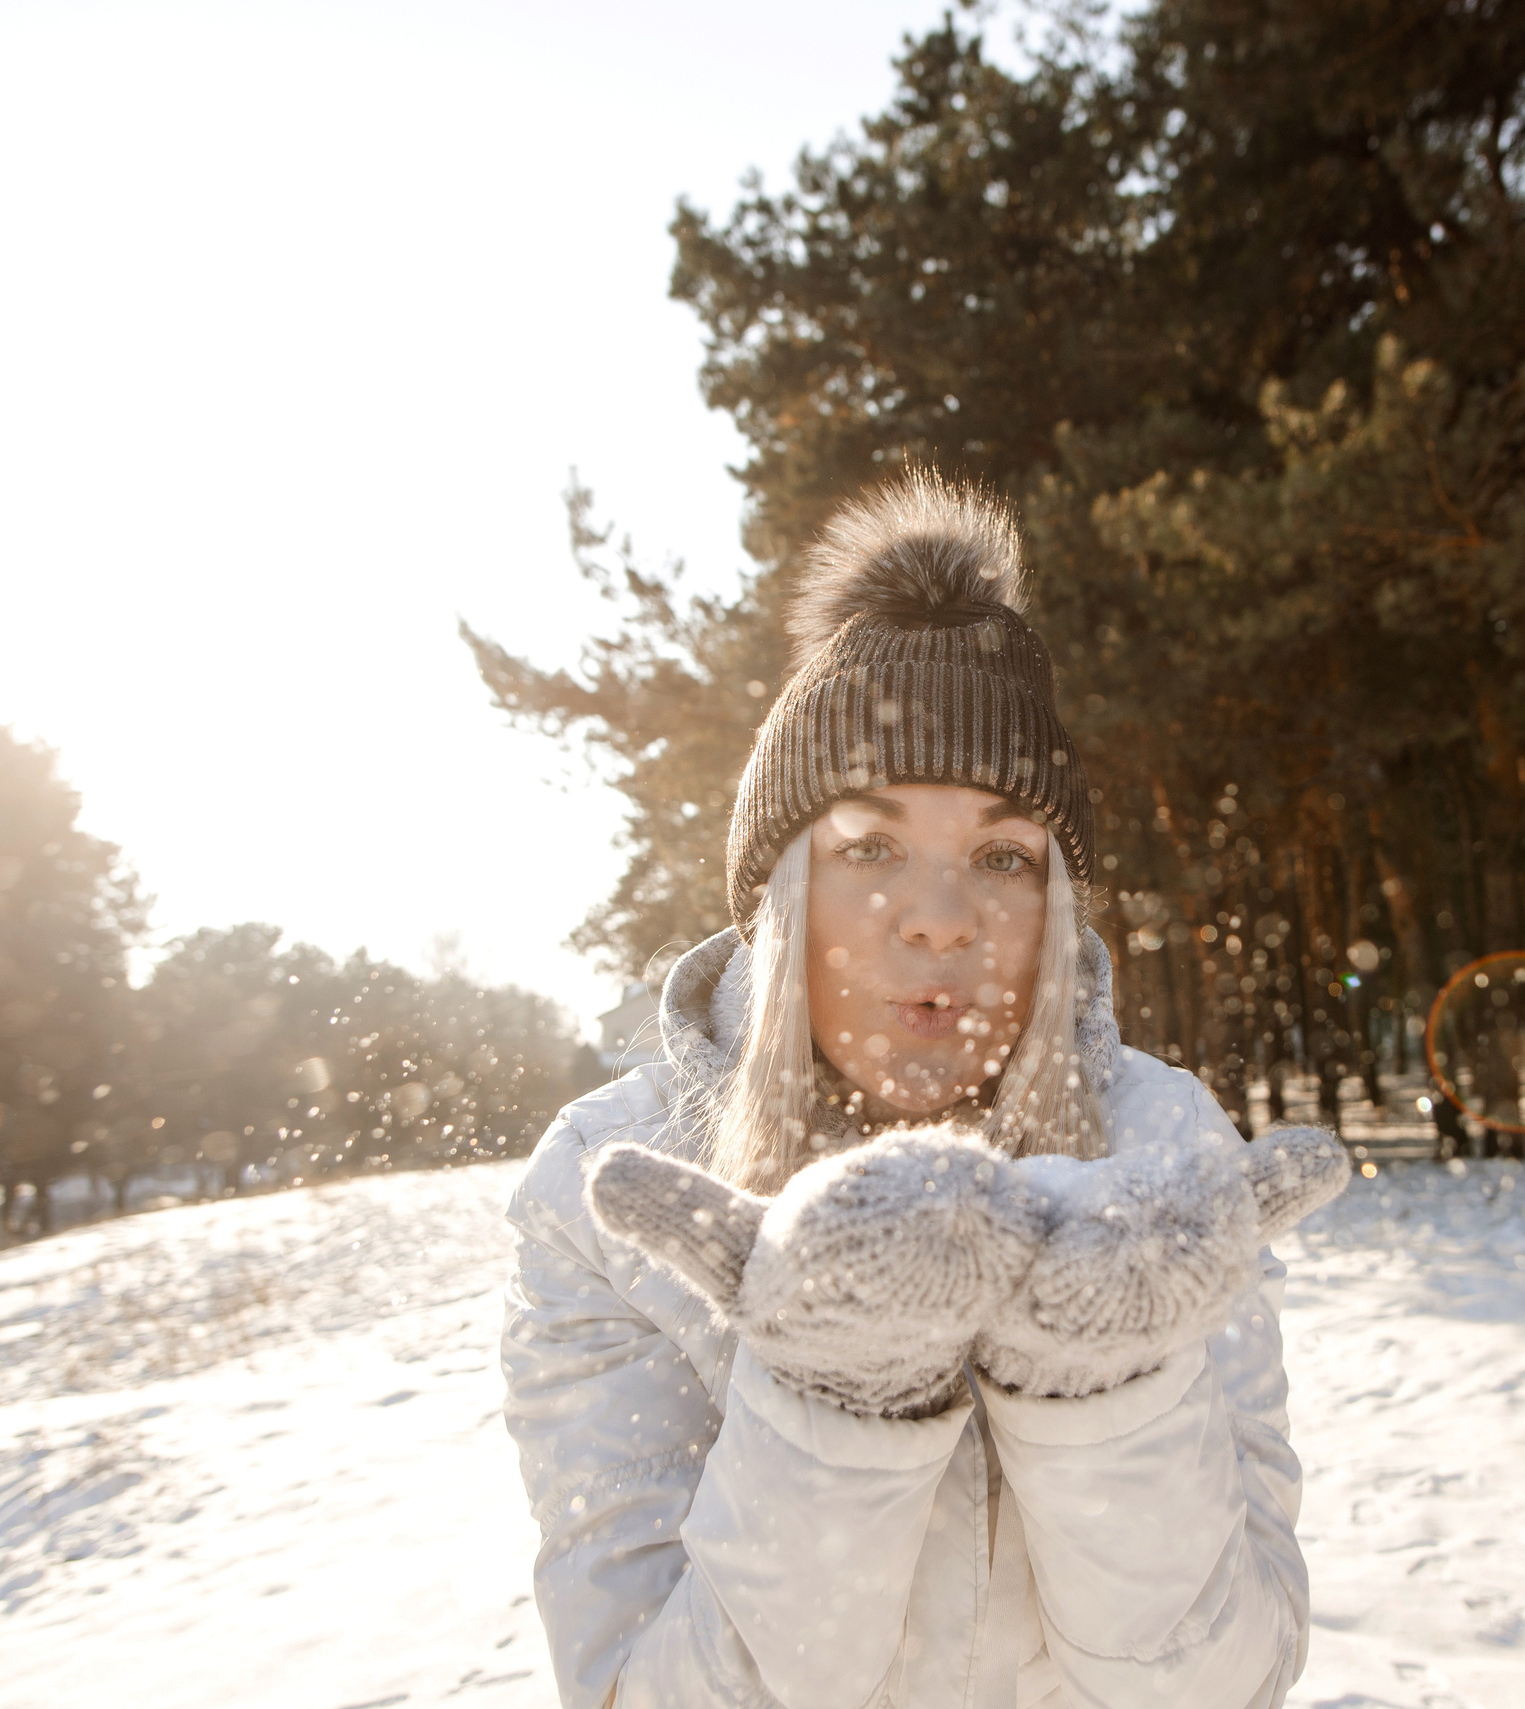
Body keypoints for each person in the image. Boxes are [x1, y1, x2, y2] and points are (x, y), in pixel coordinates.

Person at [498, 471, 1347, 1708]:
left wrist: (1104, 1391)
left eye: (1003, 856)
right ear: (782, 891)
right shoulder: (611, 1194)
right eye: (869, 847)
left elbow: (1231, 1678)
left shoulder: (1161, 1146)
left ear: (1056, 907)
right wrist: (834, 1402)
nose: (940, 919)